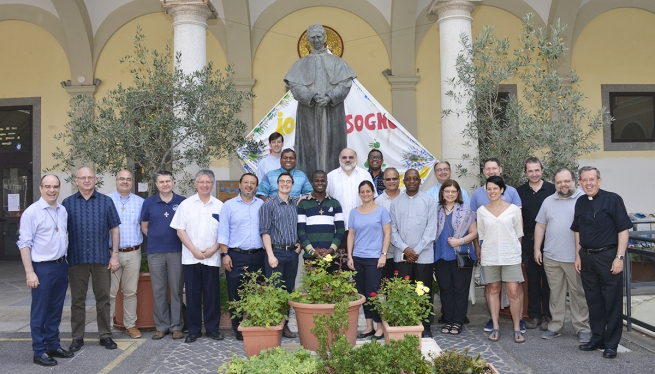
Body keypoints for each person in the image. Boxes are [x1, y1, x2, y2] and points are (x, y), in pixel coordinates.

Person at [571, 166, 632, 359]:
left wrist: (619, 257)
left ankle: (612, 344)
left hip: (608, 257)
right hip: (587, 258)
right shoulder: (580, 202)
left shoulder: (613, 199)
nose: (588, 183)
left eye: (592, 179)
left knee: (612, 301)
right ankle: (597, 338)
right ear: (579, 183)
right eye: (584, 180)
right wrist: (578, 255)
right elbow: (577, 230)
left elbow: (623, 229)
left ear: (599, 180)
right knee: (593, 300)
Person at [284, 24, 357, 176]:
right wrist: (310, 95)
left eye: (319, 37)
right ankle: (309, 182)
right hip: (308, 111)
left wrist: (330, 96)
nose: (316, 40)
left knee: (333, 145)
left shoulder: (337, 62)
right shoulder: (300, 64)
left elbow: (346, 83)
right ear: (308, 40)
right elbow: (293, 84)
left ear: (324, 38)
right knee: (308, 146)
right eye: (313, 37)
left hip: (333, 110)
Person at [17, 175, 73, 366]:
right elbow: (24, 244)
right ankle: (39, 351)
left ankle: (53, 345)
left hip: (60, 265)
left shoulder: (63, 210)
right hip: (42, 268)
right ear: (40, 188)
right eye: (47, 186)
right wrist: (29, 272)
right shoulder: (32, 213)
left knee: (56, 310)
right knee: (40, 311)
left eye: (55, 186)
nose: (52, 190)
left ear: (59, 188)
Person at [63, 167, 121, 352]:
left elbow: (115, 229)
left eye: (90, 177)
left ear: (95, 179)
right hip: (76, 258)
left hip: (101, 258)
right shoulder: (68, 203)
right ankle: (77, 337)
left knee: (103, 299)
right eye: (83, 177)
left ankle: (105, 335)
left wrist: (115, 254)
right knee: (77, 301)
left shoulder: (106, 201)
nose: (87, 180)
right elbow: (60, 230)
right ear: (77, 180)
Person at [534, 168, 591, 343]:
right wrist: (537, 249)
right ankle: (556, 326)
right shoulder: (548, 201)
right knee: (555, 293)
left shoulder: (584, 200)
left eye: (566, 181)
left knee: (578, 294)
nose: (563, 185)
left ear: (574, 181)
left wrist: (580, 255)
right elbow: (540, 226)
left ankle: (582, 328)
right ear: (555, 183)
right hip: (551, 256)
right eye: (559, 182)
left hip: (575, 258)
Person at [470, 158, 524, 333]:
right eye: (489, 189)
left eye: (496, 188)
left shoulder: (513, 209)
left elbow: (519, 234)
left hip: (510, 256)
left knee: (513, 292)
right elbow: (482, 234)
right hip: (491, 256)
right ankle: (495, 325)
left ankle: (517, 327)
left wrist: (516, 252)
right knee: (493, 289)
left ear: (502, 190)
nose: (492, 191)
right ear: (486, 191)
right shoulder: (481, 211)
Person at [170, 170, 224, 343]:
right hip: (190, 258)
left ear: (213, 185)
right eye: (201, 182)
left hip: (212, 258)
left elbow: (224, 233)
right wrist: (194, 250)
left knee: (211, 295)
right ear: (195, 184)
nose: (204, 185)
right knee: (192, 295)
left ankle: (212, 329)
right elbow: (180, 230)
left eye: (208, 182)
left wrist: (214, 249)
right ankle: (193, 330)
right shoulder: (186, 205)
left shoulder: (220, 206)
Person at [218, 173, 265, 341]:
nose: (249, 186)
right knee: (235, 293)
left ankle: (254, 325)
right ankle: (238, 328)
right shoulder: (229, 206)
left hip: (259, 255)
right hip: (236, 255)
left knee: (257, 291)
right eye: (246, 183)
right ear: (239, 185)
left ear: (257, 187)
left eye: (253, 183)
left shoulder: (262, 205)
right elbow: (223, 232)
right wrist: (225, 254)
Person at [390, 169, 437, 338]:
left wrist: (415, 251)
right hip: (401, 256)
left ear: (420, 181)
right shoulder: (395, 203)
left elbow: (431, 230)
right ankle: (406, 324)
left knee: (424, 291)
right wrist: (406, 249)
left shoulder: (429, 201)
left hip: (423, 256)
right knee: (403, 291)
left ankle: (425, 326)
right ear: (404, 181)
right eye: (408, 179)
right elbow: (392, 230)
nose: (411, 181)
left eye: (415, 179)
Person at [140, 170, 186, 340]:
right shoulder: (149, 202)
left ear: (173, 182)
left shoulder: (182, 202)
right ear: (156, 184)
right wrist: (155, 238)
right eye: (161, 182)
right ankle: (161, 326)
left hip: (177, 251)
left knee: (176, 290)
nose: (165, 184)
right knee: (158, 290)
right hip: (155, 252)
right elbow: (144, 226)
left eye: (168, 181)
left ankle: (176, 326)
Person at [347, 180, 391, 341]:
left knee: (373, 293)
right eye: (362, 192)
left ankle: (380, 326)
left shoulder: (381, 211)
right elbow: (351, 234)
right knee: (363, 293)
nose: (365, 194)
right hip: (358, 258)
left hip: (374, 258)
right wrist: (350, 256)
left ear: (373, 192)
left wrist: (383, 254)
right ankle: (369, 326)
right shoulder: (354, 212)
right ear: (359, 194)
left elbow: (387, 234)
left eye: (368, 191)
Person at [260, 172, 301, 338]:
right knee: (275, 290)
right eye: (282, 181)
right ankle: (274, 325)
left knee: (288, 291)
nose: (285, 184)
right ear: (277, 184)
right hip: (275, 253)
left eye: (288, 182)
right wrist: (270, 255)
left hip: (292, 254)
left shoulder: (295, 205)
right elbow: (265, 231)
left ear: (292, 185)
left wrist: (299, 243)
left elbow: (299, 227)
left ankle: (284, 325)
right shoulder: (268, 205)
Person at [434, 179, 478, 336]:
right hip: (440, 256)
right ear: (442, 193)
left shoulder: (466, 210)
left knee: (460, 290)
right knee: (446, 290)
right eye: (447, 191)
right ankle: (449, 320)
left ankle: (458, 321)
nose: (450, 194)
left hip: (461, 255)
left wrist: (460, 241)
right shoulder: (436, 210)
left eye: (453, 191)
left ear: (458, 193)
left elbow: (474, 232)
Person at [516, 157, 555, 330]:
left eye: (536, 170)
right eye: (530, 171)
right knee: (532, 278)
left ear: (542, 170)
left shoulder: (553, 190)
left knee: (549, 279)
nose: (534, 174)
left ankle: (547, 315)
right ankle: (534, 315)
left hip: (551, 240)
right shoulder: (520, 192)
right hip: (528, 240)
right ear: (525, 173)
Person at [108, 170, 145, 339]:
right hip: (111, 254)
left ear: (132, 182)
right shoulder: (107, 201)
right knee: (109, 292)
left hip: (133, 253)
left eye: (128, 179)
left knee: (131, 292)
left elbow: (145, 227)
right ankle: (106, 327)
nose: (125, 182)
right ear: (116, 181)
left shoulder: (140, 202)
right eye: (121, 179)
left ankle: (130, 325)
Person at [297, 170, 345, 267]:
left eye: (323, 181)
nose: (320, 183)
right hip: (310, 256)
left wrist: (331, 250)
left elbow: (340, 229)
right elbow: (300, 230)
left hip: (331, 256)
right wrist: (312, 251)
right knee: (311, 282)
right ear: (312, 183)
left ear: (327, 183)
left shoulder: (335, 203)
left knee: (332, 282)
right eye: (316, 181)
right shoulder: (303, 204)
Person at [326, 148, 374, 243]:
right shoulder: (331, 176)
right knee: (340, 257)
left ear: (356, 159)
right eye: (344, 157)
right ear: (339, 159)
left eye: (351, 157)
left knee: (359, 257)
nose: (348, 160)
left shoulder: (365, 175)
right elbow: (324, 199)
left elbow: (372, 199)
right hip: (338, 229)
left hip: (362, 227)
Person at [374, 167, 401, 279]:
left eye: (394, 178)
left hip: (404, 251)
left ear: (399, 180)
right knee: (387, 285)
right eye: (388, 179)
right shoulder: (378, 202)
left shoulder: (406, 197)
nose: (391, 181)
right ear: (384, 182)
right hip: (387, 252)